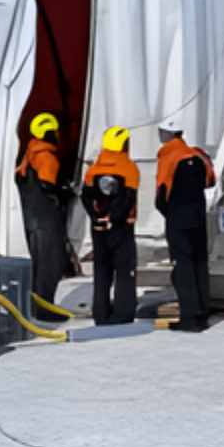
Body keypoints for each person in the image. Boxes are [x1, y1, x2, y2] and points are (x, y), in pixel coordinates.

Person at [154, 124, 216, 332]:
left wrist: (170, 214)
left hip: (178, 217)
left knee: (183, 266)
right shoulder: (198, 155)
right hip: (198, 216)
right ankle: (202, 313)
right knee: (199, 262)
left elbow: (161, 194)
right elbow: (211, 181)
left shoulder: (168, 157)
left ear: (168, 134)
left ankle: (189, 317)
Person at [82, 126, 140, 326]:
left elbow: (85, 197)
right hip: (121, 227)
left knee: (101, 271)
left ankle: (101, 312)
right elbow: (128, 199)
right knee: (124, 272)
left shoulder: (93, 169)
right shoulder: (129, 168)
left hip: (98, 229)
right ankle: (123, 314)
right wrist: (114, 218)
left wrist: (96, 217)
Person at [15, 112, 71, 309]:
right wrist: (66, 191)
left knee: (38, 266)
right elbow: (48, 186)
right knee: (50, 265)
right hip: (46, 219)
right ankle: (44, 308)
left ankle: (36, 306)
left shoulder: (30, 153)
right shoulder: (47, 157)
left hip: (32, 219)